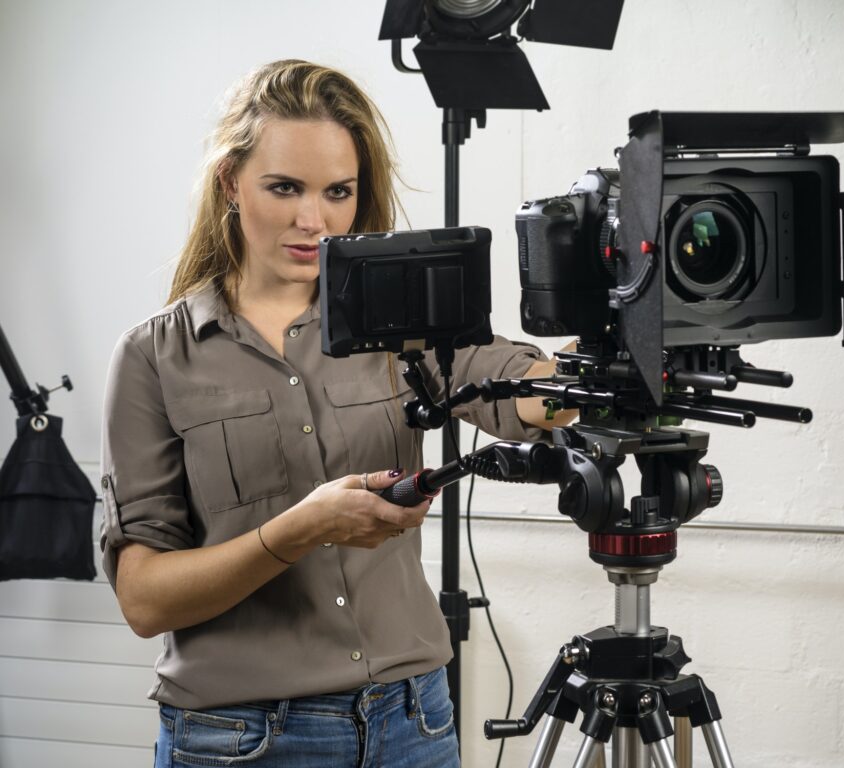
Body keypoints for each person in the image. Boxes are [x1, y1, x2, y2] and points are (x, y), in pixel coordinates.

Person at [99, 59, 572, 768]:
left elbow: (513, 388)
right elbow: (144, 601)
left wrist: (599, 361)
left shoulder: (405, 321)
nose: (311, 221)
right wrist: (299, 530)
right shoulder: (154, 357)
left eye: (337, 192)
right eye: (284, 187)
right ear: (231, 182)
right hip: (243, 740)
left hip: (416, 721)